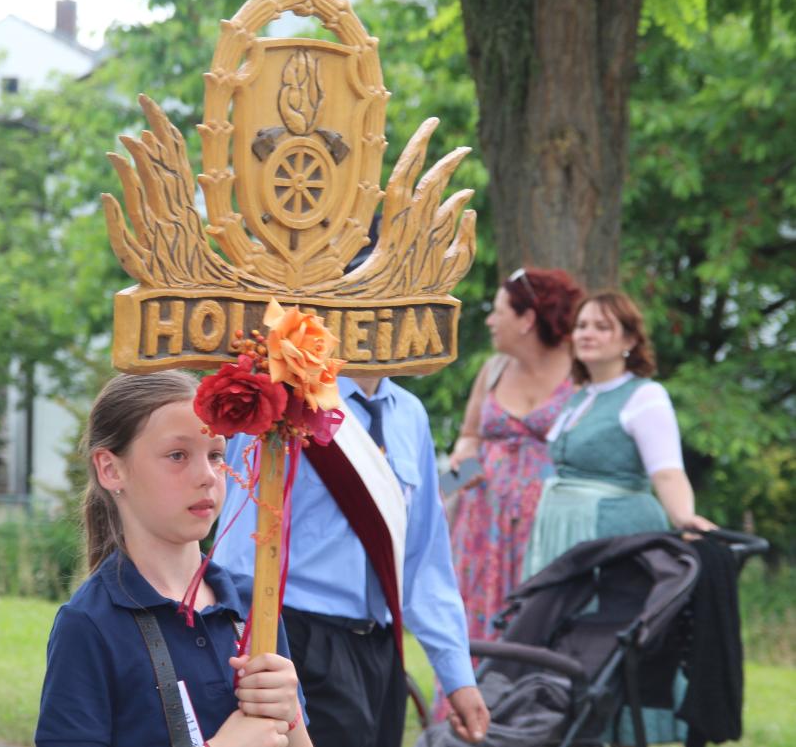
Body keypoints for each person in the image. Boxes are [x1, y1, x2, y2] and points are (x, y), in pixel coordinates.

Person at [35, 370, 312, 747]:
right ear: (111, 469)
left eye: (216, 455)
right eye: (177, 455)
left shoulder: (253, 605)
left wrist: (289, 714)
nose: (207, 476)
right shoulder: (89, 625)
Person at [214, 372, 490, 747]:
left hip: (381, 646)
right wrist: (240, 642)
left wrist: (457, 674)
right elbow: (242, 542)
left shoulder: (409, 413)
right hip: (301, 641)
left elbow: (424, 558)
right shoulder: (283, 400)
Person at [523, 290, 716, 745]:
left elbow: (666, 471)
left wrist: (684, 517)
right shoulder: (579, 396)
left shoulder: (644, 397)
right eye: (584, 325)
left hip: (611, 532)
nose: (588, 334)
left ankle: (615, 731)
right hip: (563, 532)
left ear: (629, 339)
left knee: (604, 637)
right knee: (560, 631)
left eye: (603, 327)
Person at [446, 268, 583, 643]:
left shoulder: (580, 369)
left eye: (498, 311)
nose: (490, 321)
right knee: (477, 613)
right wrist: (459, 466)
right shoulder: (493, 370)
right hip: (483, 523)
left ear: (526, 319)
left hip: (548, 524)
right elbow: (469, 437)